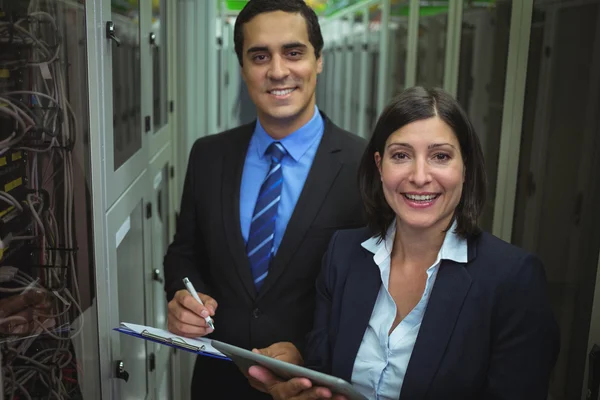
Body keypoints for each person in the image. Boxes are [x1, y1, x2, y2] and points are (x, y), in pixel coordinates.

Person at [248, 86, 561, 400]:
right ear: (379, 165)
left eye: (440, 156)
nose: (420, 176)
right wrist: (299, 376)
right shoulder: (342, 255)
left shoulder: (513, 280)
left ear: (465, 168)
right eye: (401, 156)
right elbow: (324, 373)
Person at [162, 0, 366, 398]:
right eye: (259, 56)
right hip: (217, 381)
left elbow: (373, 290)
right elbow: (184, 251)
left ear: (319, 60)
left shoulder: (363, 165)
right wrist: (183, 295)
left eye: (293, 52)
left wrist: (309, 350)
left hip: (311, 385)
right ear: (242, 67)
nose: (277, 71)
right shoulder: (208, 156)